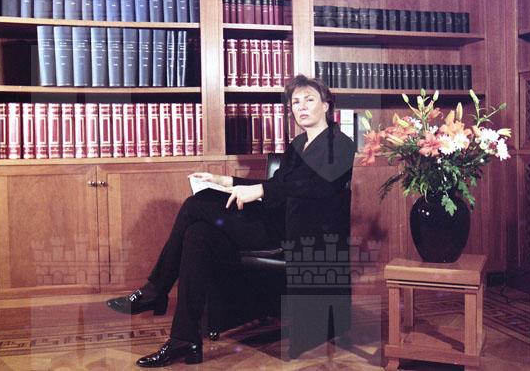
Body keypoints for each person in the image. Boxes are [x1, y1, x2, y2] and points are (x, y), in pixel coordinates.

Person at [106, 74, 356, 368]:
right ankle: (184, 340)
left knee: (195, 204)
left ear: (326, 105)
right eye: (295, 102)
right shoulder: (298, 144)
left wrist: (261, 191)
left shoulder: (341, 143)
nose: (301, 107)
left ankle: (155, 291)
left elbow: (316, 187)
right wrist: (223, 180)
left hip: (300, 235)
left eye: (309, 100)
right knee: (197, 234)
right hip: (273, 222)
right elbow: (275, 185)